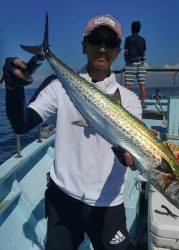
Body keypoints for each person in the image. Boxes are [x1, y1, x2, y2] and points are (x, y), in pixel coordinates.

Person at [3, 14, 142, 250]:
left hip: (108, 204)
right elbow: (21, 124)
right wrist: (12, 88)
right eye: (96, 39)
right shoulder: (58, 85)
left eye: (110, 42)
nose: (102, 48)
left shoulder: (129, 100)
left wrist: (129, 154)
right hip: (63, 200)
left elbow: (130, 147)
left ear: (118, 51)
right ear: (84, 45)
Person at [124, 21, 147, 107]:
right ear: (139, 29)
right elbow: (144, 52)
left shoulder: (128, 39)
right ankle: (142, 103)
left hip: (131, 63)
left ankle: (125, 103)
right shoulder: (143, 40)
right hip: (141, 63)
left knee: (127, 84)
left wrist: (126, 60)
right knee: (142, 83)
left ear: (131, 28)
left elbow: (126, 52)